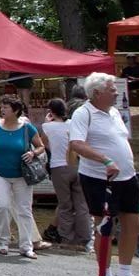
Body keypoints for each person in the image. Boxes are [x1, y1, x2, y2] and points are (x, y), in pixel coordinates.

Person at [70, 72, 139, 276]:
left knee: (134, 225)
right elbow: (76, 144)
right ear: (97, 93)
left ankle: (126, 275)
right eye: (112, 89)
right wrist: (106, 160)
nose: (116, 92)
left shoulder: (113, 112)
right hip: (99, 178)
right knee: (105, 227)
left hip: (127, 177)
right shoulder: (83, 114)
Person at [0, 95, 47, 258]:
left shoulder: (27, 128)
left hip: (21, 174)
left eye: (6, 107)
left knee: (24, 209)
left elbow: (41, 146)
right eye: (2, 107)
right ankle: (3, 240)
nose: (2, 109)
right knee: (2, 206)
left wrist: (32, 152)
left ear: (16, 110)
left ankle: (26, 245)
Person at [43, 97, 90, 251]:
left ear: (51, 111)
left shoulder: (48, 127)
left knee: (65, 205)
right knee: (81, 204)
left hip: (59, 167)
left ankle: (67, 237)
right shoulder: (72, 124)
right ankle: (83, 237)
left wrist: (47, 122)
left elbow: (43, 144)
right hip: (77, 165)